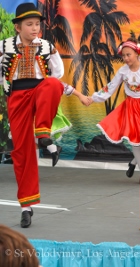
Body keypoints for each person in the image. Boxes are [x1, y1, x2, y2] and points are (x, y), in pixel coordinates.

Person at [0, 3, 65, 228]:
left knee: (53, 84)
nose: (35, 28)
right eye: (29, 24)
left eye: (37, 24)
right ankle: (26, 207)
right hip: (17, 96)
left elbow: (58, 74)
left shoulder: (47, 46)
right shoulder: (4, 46)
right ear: (18, 27)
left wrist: (46, 84)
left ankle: (44, 133)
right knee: (21, 151)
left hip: (40, 91)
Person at [88, 38, 140, 182]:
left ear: (137, 53)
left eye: (129, 54)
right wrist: (94, 98)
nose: (126, 58)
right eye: (124, 55)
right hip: (132, 107)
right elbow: (110, 87)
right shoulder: (123, 71)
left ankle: (133, 162)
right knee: (135, 140)